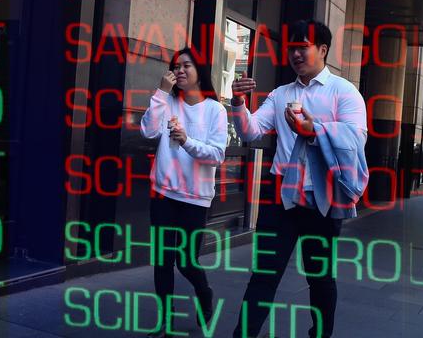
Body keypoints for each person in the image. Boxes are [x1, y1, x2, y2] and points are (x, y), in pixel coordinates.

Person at [229, 19, 368, 338]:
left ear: (322, 49)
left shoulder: (344, 92)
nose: (294, 53)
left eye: (302, 46)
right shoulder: (281, 95)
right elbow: (250, 131)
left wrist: (313, 130)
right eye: (291, 47)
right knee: (263, 274)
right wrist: (238, 103)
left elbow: (356, 140)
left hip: (323, 197)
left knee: (319, 277)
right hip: (280, 197)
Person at [140, 47, 227, 337]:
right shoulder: (167, 102)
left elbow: (217, 154)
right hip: (164, 193)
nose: (179, 71)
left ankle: (204, 293)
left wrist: (188, 141)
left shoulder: (215, 109)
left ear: (199, 70)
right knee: (163, 261)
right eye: (175, 66)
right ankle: (166, 322)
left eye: (186, 66)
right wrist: (160, 93)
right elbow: (148, 132)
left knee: (187, 261)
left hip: (194, 198)